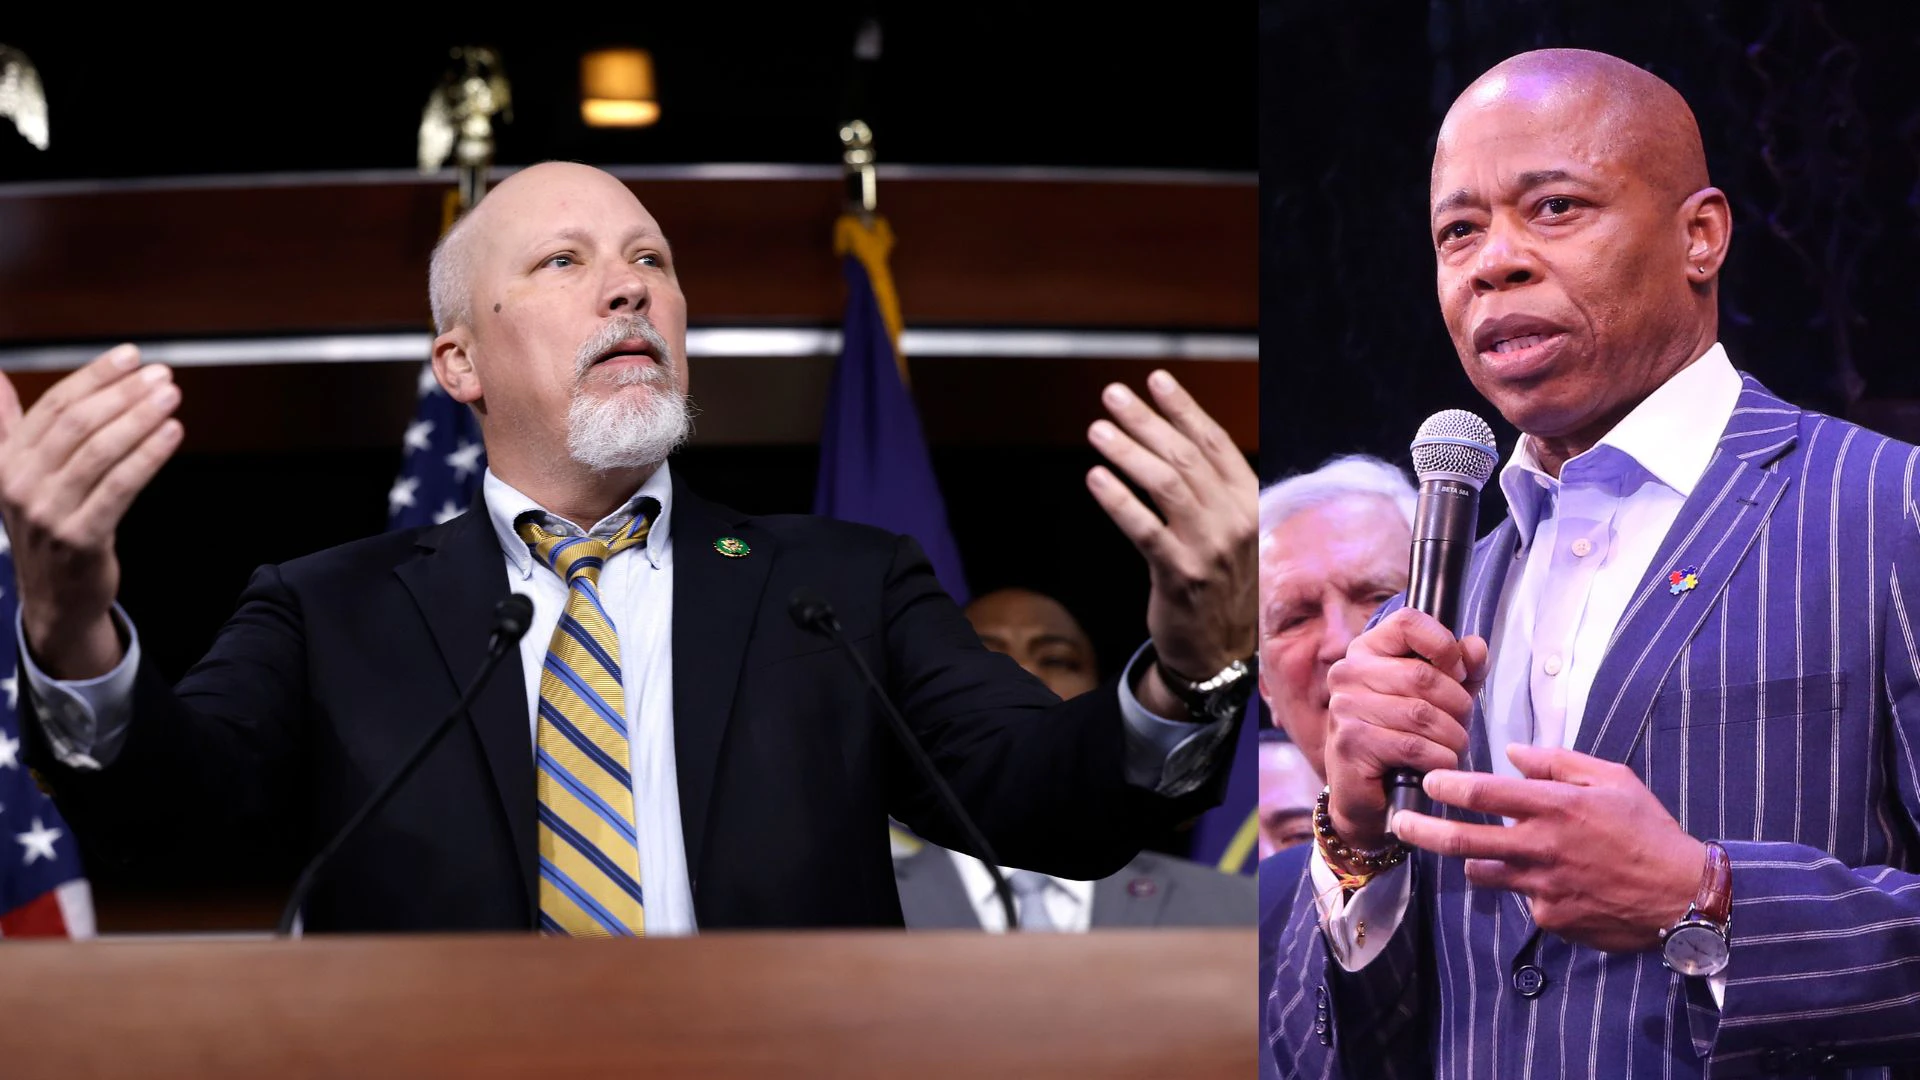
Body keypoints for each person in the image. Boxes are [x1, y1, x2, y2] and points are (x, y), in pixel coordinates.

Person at [0, 161, 1258, 936]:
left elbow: (1057, 800)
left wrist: (1189, 661)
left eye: (652, 261)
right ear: (460, 363)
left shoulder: (839, 590)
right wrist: (66, 627)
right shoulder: (329, 612)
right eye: (566, 262)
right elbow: (171, 820)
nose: (629, 289)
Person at [1267, 49, 1920, 1077]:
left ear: (1699, 236)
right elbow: (1333, 1054)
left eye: (1556, 209)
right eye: (1459, 231)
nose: (1495, 262)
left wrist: (1705, 898)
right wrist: (1357, 837)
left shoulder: (1887, 510)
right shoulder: (1452, 592)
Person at [892, 587, 1253, 931]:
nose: (1025, 674)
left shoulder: (1238, 910)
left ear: (1102, 691)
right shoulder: (855, 904)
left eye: (1056, 660)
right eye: (988, 660)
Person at [1251, 456, 1415, 1071]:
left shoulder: (1549, 846)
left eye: (1376, 596)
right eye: (1294, 618)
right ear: (1265, 685)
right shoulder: (1260, 911)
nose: (1340, 644)